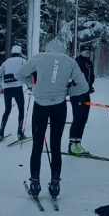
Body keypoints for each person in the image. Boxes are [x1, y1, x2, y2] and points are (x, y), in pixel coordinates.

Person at [15, 36, 88, 198]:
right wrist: (68, 92)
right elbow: (84, 87)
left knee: (37, 146)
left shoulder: (39, 57)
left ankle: (35, 183)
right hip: (59, 107)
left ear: (48, 48)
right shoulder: (70, 61)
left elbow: (18, 75)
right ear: (63, 50)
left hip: (40, 106)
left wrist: (32, 84)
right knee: (55, 146)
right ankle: (55, 184)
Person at [0, 44, 27, 142]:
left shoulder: (6, 62)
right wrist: (29, 85)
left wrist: (0, 87)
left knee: (7, 110)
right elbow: (28, 73)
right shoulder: (22, 61)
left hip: (7, 88)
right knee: (21, 109)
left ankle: (0, 133)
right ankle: (20, 133)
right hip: (17, 88)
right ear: (20, 53)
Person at [68, 42, 96, 155]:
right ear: (80, 52)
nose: (86, 54)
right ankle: (71, 144)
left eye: (88, 52)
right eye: (84, 52)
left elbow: (91, 77)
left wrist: (90, 87)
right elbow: (72, 77)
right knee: (78, 118)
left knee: (84, 118)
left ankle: (78, 142)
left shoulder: (89, 63)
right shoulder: (76, 62)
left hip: (86, 93)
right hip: (77, 94)